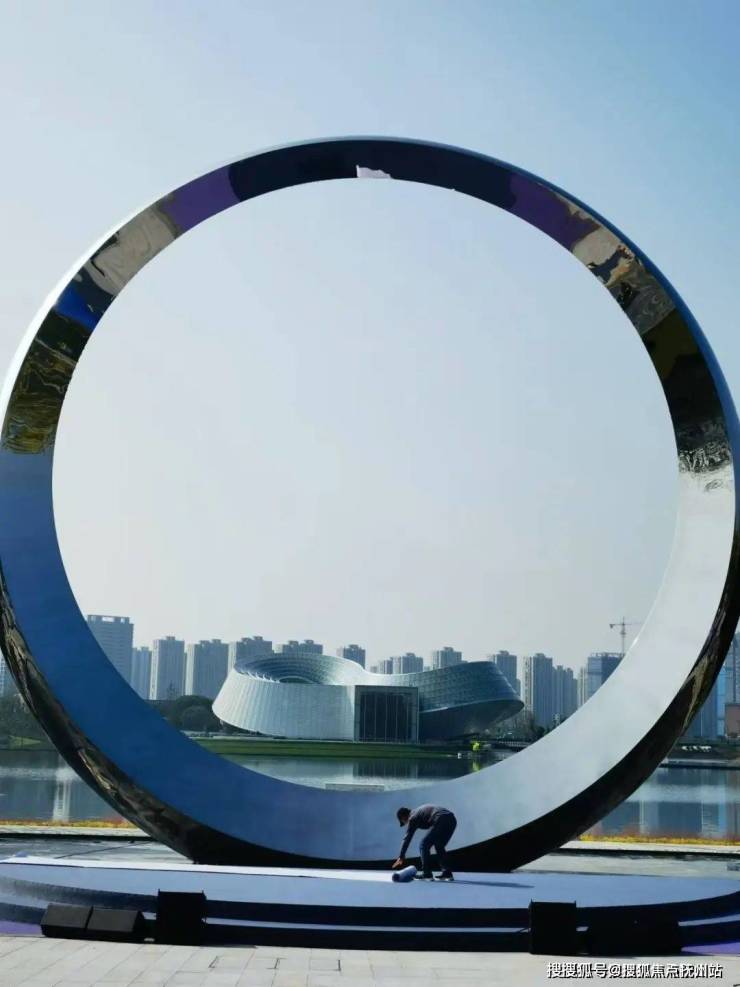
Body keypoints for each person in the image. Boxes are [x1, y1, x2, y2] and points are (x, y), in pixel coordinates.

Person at [391, 804, 457, 881]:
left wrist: (401, 856)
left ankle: (427, 874)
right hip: (451, 819)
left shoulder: (412, 817)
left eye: (404, 822)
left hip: (440, 819)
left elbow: (407, 838)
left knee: (423, 845)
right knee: (439, 845)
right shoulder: (418, 812)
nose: (406, 824)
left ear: (403, 817)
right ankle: (447, 873)